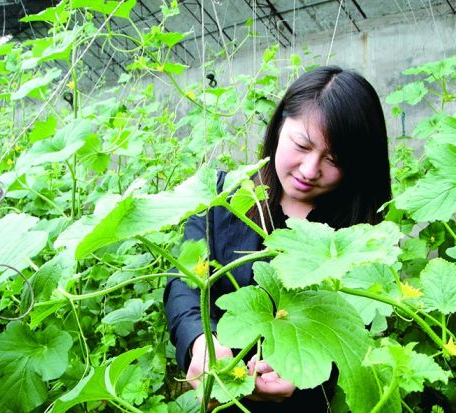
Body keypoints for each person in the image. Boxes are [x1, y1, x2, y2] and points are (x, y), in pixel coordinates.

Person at [164, 65, 391, 412]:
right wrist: (200, 341)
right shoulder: (221, 196)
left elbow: (353, 340)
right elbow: (185, 285)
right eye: (302, 144)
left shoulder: (358, 238)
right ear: (279, 125)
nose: (309, 170)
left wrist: (310, 373)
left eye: (335, 160)